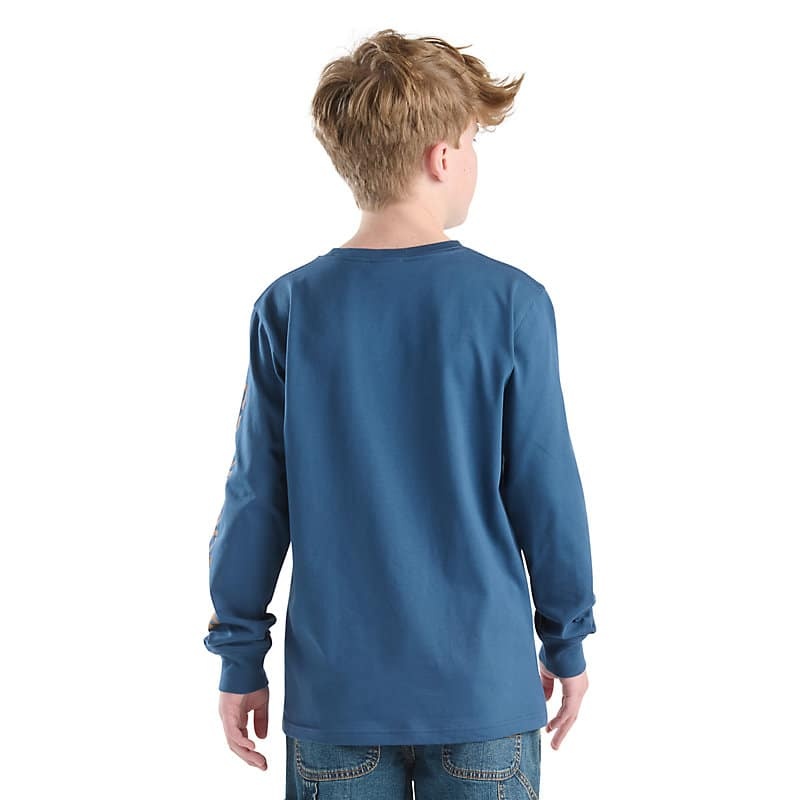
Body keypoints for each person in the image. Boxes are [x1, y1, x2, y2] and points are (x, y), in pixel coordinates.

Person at [203, 28, 597, 799]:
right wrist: (566, 639)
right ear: (441, 157)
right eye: (474, 141)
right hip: (483, 690)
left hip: (336, 700)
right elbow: (547, 490)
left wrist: (240, 656)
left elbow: (255, 497)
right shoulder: (511, 303)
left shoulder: (290, 307)